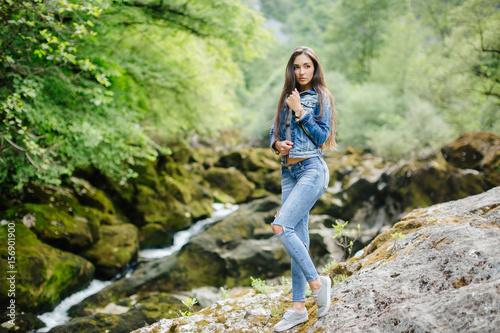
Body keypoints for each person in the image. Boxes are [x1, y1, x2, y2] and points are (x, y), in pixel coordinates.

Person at [269, 46, 337, 332]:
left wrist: (301, 112)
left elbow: (323, 136)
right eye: (297, 67)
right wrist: (277, 145)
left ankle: (318, 284)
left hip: (312, 168)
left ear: (315, 68)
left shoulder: (322, 96)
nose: (301, 72)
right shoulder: (287, 97)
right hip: (289, 172)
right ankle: (298, 308)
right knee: (299, 239)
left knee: (281, 227)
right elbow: (274, 132)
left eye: (306, 66)